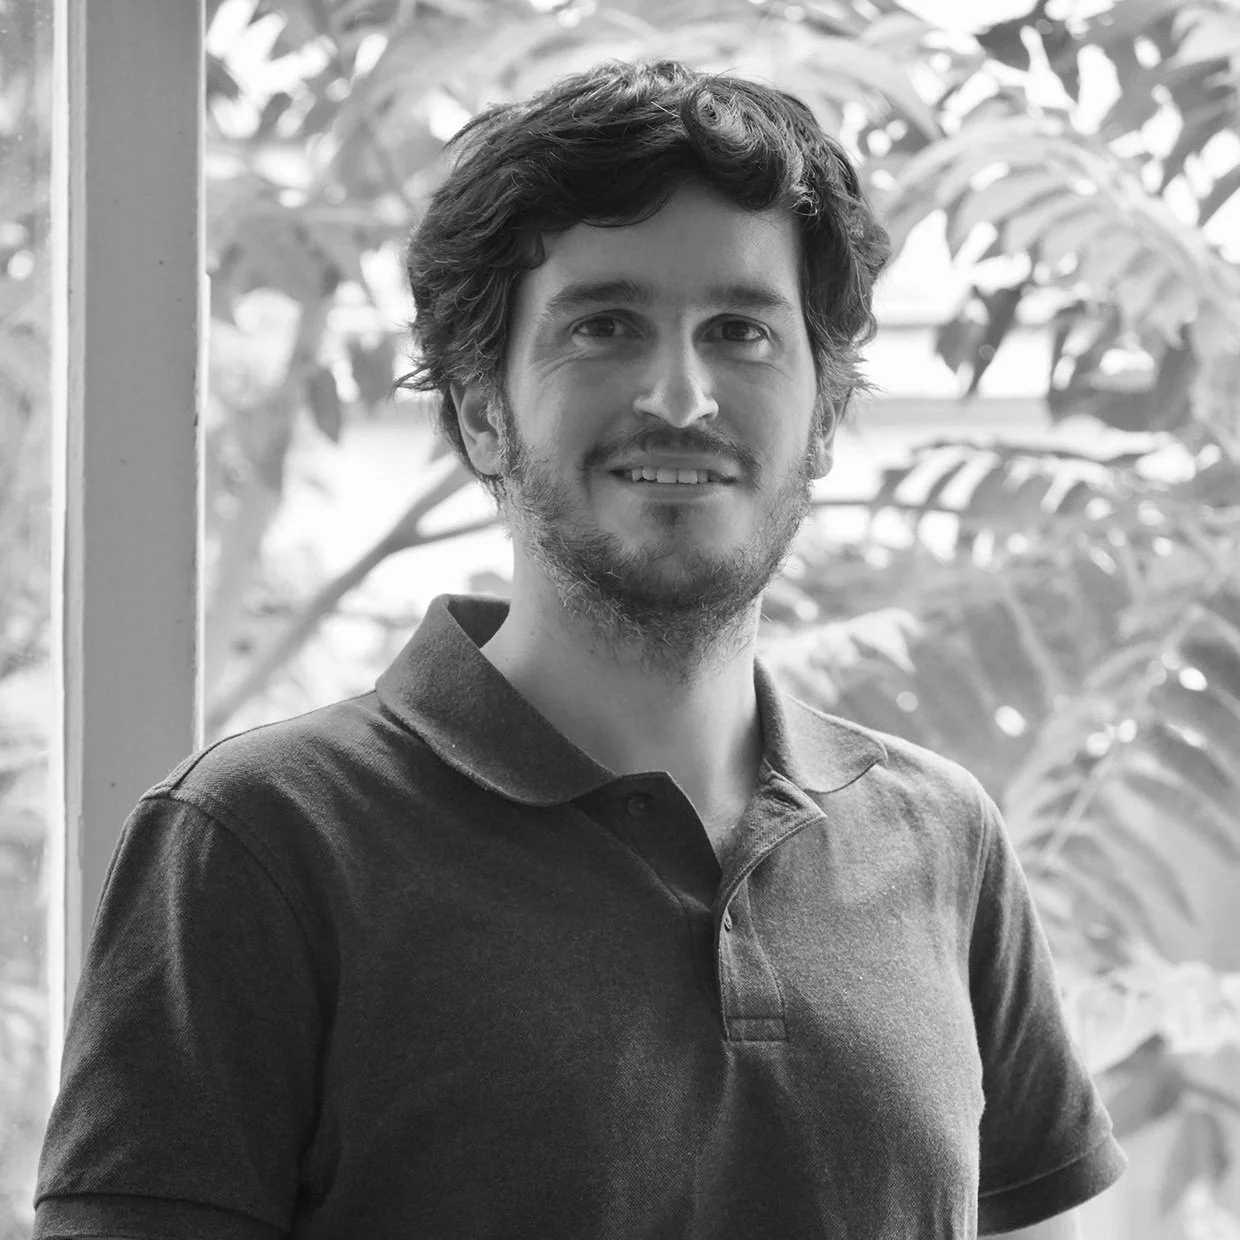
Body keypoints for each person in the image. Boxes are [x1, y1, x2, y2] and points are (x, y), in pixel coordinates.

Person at [33, 59, 1125, 1239]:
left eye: (741, 331)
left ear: (822, 418)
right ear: (483, 410)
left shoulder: (943, 837)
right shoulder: (258, 842)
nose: (682, 394)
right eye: (604, 326)